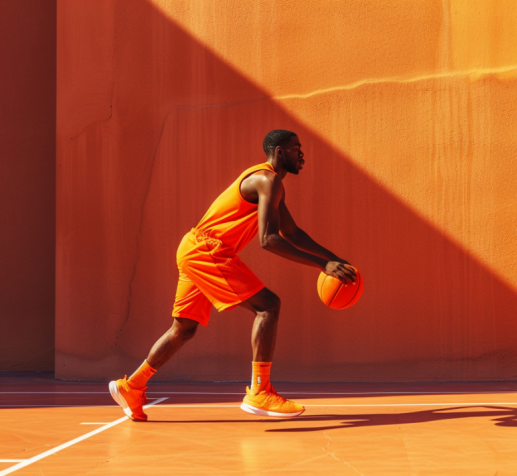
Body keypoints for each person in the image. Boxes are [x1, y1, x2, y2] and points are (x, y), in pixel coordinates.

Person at [108, 130, 357, 421]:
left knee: (184, 329)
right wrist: (321, 265)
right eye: (295, 149)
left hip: (194, 248)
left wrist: (333, 259)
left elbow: (292, 233)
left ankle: (132, 385)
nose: (301, 154)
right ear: (279, 152)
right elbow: (269, 239)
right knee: (268, 306)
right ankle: (259, 391)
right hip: (207, 250)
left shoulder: (270, 184)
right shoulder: (268, 180)